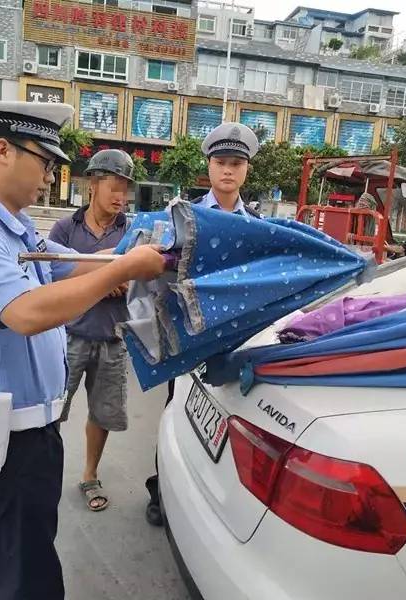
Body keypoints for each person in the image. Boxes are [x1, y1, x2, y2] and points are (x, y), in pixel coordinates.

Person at [0, 101, 165, 600]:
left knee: (1, 557)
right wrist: (123, 269)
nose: (49, 175)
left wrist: (132, 255)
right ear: (2, 151)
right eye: (44, 161)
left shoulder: (14, 229)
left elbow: (68, 265)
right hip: (6, 445)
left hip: (29, 437)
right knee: (28, 578)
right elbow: (26, 312)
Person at [144, 122, 261, 526]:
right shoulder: (183, 216)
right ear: (208, 167)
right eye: (220, 162)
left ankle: (209, 493)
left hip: (232, 339)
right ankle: (161, 488)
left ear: (246, 170)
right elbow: (154, 267)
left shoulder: (256, 224)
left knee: (225, 420)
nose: (227, 170)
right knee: (177, 413)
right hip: (188, 336)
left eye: (235, 163)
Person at [49, 149, 133, 512]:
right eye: (113, 186)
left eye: (125, 189)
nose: (120, 196)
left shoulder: (132, 231)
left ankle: (89, 474)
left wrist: (129, 283)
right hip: (70, 336)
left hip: (114, 338)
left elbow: (148, 279)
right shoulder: (65, 230)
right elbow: (49, 280)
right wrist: (102, 281)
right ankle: (44, 475)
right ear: (93, 185)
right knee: (51, 410)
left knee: (103, 413)